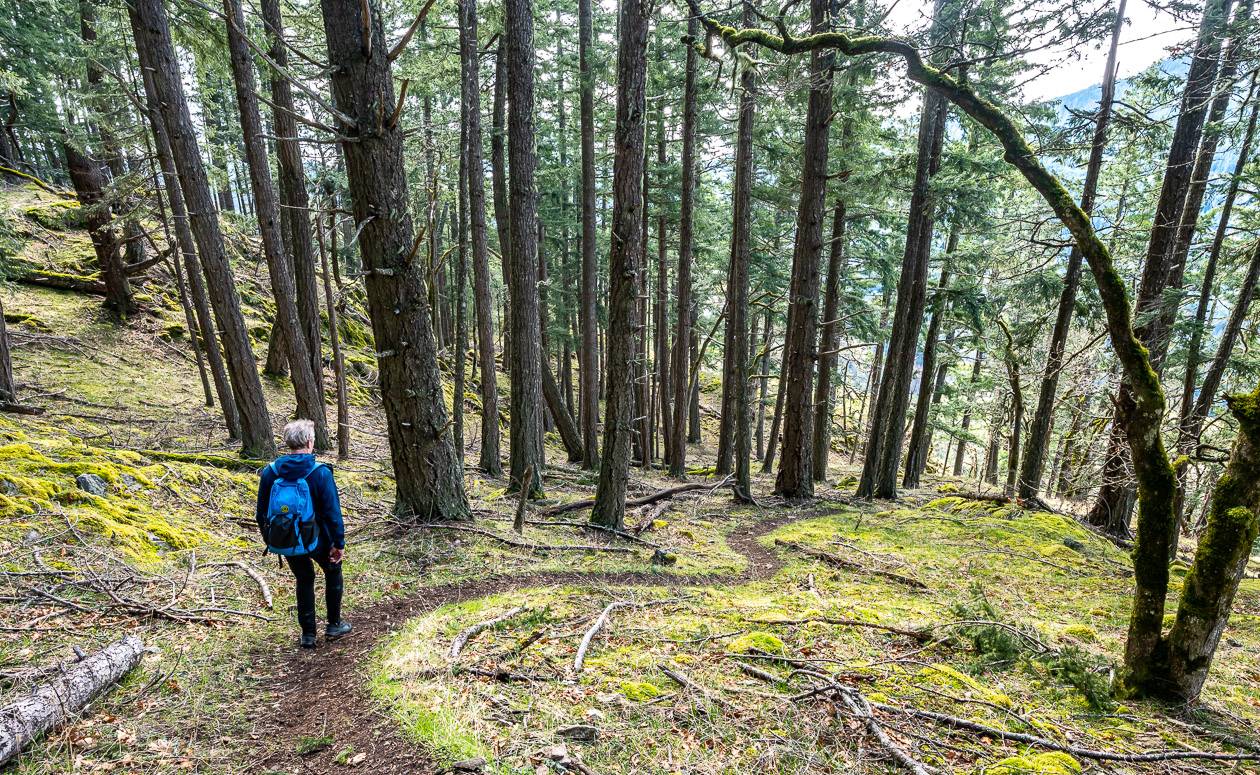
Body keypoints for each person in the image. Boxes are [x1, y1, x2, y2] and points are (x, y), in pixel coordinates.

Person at [255, 419, 351, 648]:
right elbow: (332, 512)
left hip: (286, 538)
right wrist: (339, 542)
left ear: (289, 443)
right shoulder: (320, 472)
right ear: (309, 442)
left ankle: (308, 634)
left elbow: (261, 513)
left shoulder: (271, 472)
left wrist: (270, 537)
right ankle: (334, 625)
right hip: (318, 538)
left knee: (304, 578)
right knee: (333, 570)